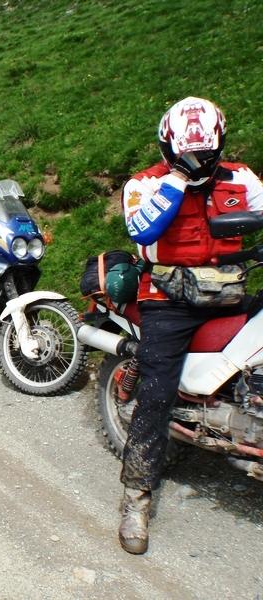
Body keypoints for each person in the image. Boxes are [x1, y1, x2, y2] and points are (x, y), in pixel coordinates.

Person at [118, 96, 263, 555]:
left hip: (228, 291)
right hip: (166, 301)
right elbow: (141, 230)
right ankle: (136, 498)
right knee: (156, 393)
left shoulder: (240, 178)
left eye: (206, 156)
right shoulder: (144, 184)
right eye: (188, 155)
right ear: (167, 147)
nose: (201, 163)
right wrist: (178, 178)